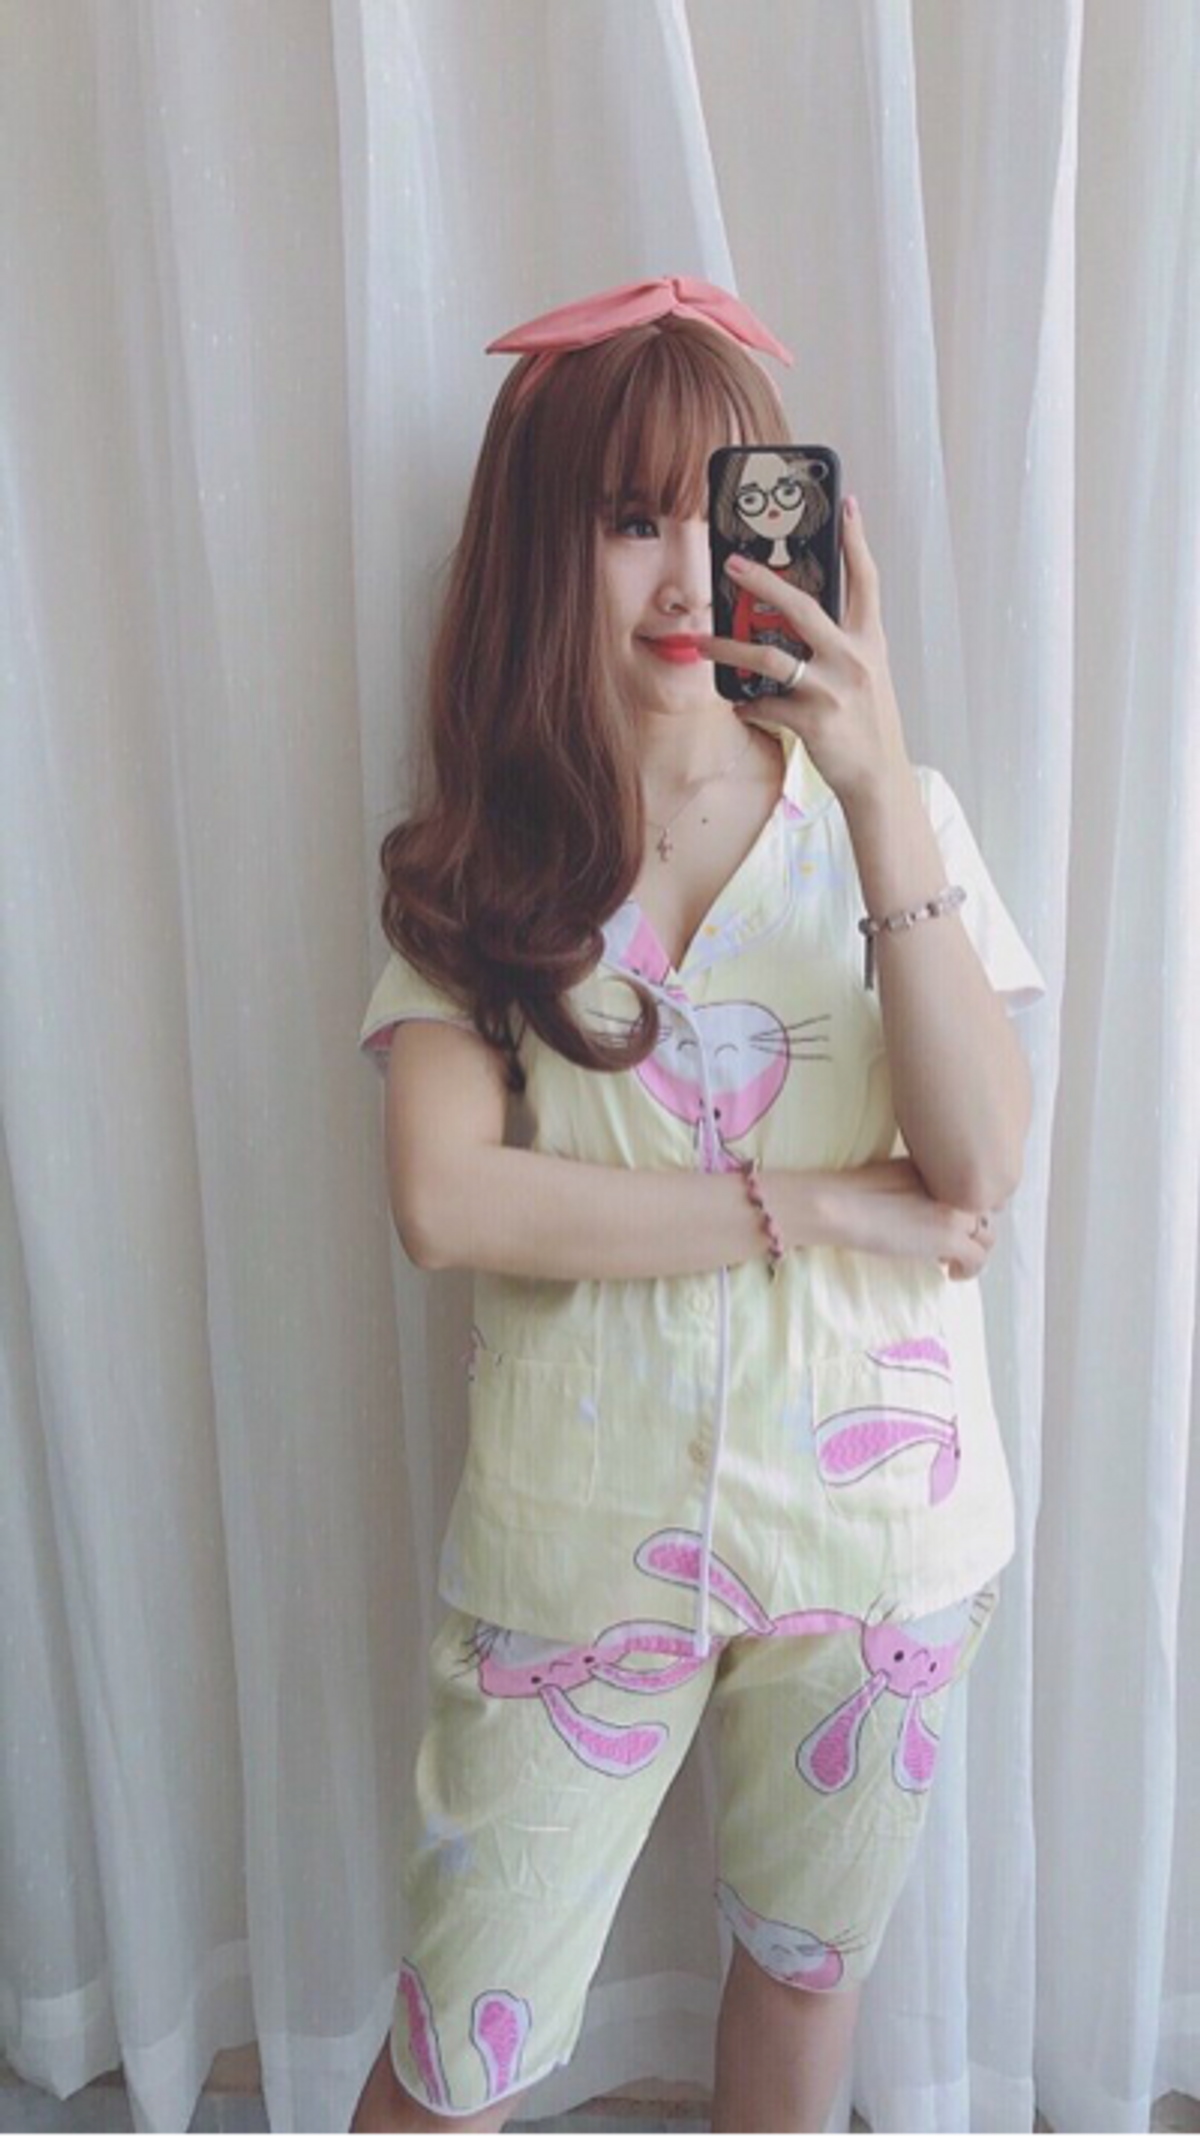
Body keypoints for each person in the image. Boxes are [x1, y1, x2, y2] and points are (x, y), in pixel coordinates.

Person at [348, 275, 1047, 2136]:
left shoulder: (897, 818)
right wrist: (817, 1205)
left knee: (802, 1978)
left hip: (874, 1540)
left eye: (723, 514)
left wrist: (875, 784)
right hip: (578, 1542)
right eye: (625, 520)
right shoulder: (487, 858)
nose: (683, 580)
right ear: (542, 546)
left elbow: (980, 1167)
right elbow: (444, 1199)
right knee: (457, 2045)